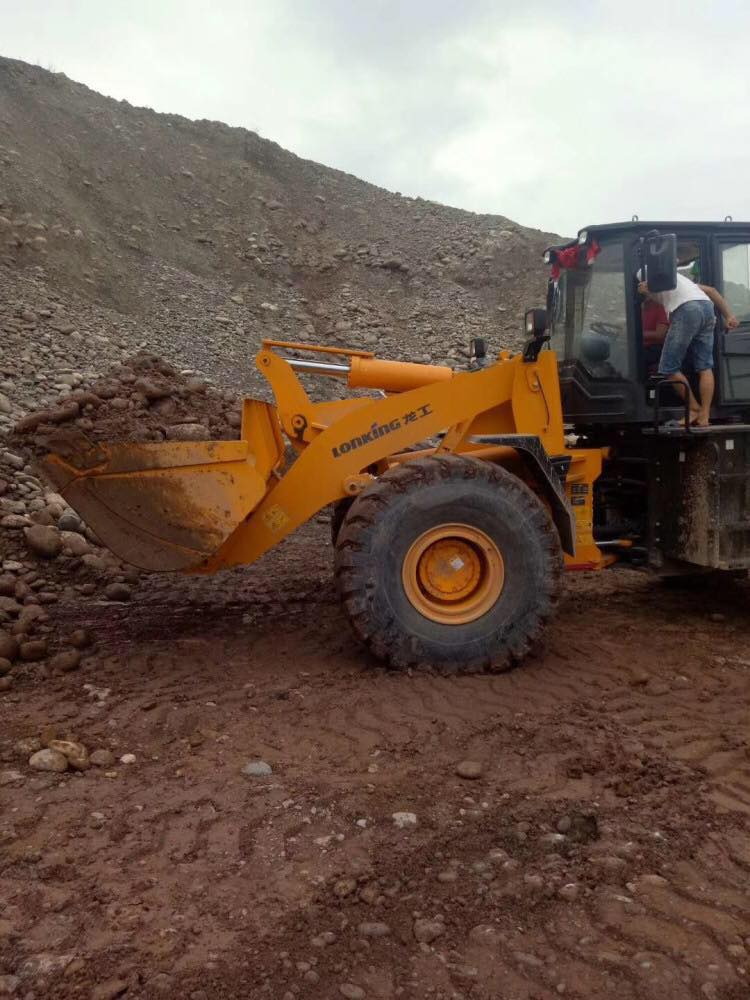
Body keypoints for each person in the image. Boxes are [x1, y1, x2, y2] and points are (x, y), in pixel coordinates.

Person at [638, 272, 739, 426]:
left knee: (668, 367)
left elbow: (652, 294)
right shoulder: (686, 284)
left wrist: (646, 290)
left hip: (687, 310)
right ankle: (704, 416)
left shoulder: (654, 283)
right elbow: (711, 291)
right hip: (707, 308)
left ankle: (693, 408)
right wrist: (729, 316)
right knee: (705, 366)